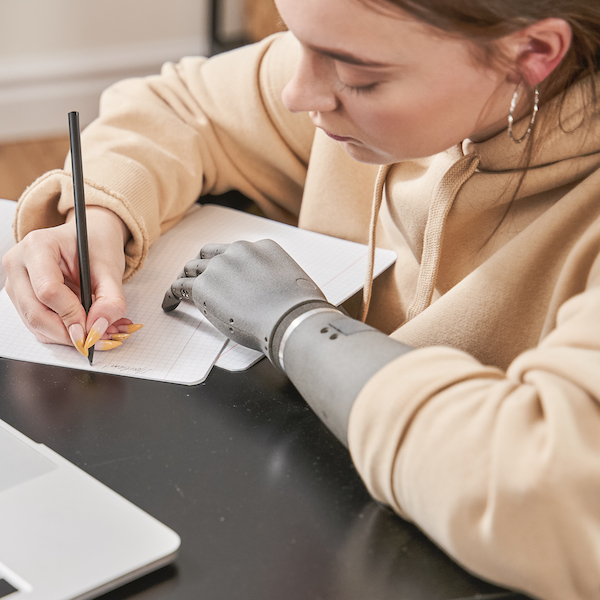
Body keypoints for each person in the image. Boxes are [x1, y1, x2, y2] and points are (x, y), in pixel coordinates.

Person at [4, 0, 600, 597]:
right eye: (293, 39)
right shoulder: (377, 51)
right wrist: (105, 211)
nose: (296, 92)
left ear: (533, 55)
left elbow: (547, 491)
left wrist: (297, 325)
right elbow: (184, 104)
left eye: (359, 78)